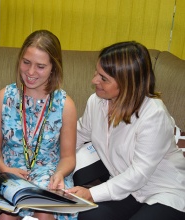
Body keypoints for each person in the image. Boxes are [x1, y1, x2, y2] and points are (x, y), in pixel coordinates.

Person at [66, 41, 185, 220]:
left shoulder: (154, 114)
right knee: (89, 217)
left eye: (103, 78)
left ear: (127, 83)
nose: (94, 80)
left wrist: (91, 193)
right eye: (96, 72)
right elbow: (78, 134)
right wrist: (47, 162)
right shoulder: (96, 102)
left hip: (162, 190)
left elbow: (139, 174)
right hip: (124, 187)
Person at [0, 30, 78, 220]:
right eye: (26, 62)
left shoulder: (65, 105)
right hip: (10, 171)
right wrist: (5, 170)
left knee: (43, 211)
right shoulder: (4, 97)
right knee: (6, 217)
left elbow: (68, 157)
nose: (30, 72)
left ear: (53, 67)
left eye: (40, 66)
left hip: (48, 174)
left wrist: (59, 174)